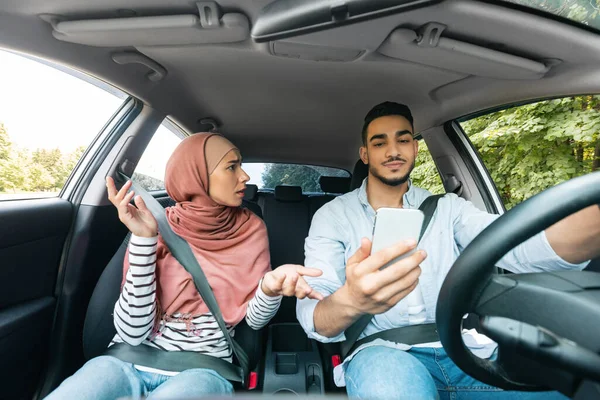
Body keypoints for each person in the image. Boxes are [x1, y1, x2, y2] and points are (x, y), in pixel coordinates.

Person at [296, 102, 600, 399]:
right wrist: (351, 300)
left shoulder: (449, 208)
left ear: (415, 149)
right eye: (379, 143)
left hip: (465, 350)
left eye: (403, 139)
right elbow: (314, 315)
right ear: (365, 154)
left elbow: (517, 246)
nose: (392, 151)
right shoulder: (333, 216)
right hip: (382, 353)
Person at [46, 132, 323, 400]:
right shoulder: (153, 223)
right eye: (231, 166)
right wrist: (144, 241)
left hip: (204, 368)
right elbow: (132, 333)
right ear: (196, 175)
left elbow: (253, 321)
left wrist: (269, 288)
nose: (245, 176)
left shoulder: (251, 229)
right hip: (124, 360)